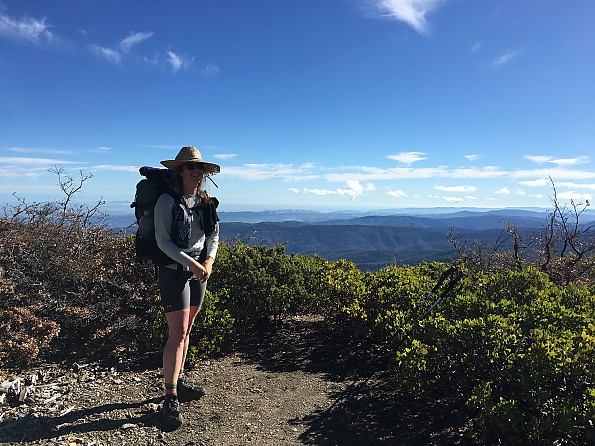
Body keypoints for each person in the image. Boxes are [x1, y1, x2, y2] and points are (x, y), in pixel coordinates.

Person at [154, 146, 220, 428]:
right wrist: (191, 264)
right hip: (174, 272)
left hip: (199, 271)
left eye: (200, 168)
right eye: (191, 167)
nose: (197, 171)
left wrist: (209, 260)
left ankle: (178, 382)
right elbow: (163, 242)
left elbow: (214, 234)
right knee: (177, 334)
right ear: (179, 171)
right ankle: (170, 397)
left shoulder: (205, 202)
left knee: (187, 330)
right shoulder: (166, 202)